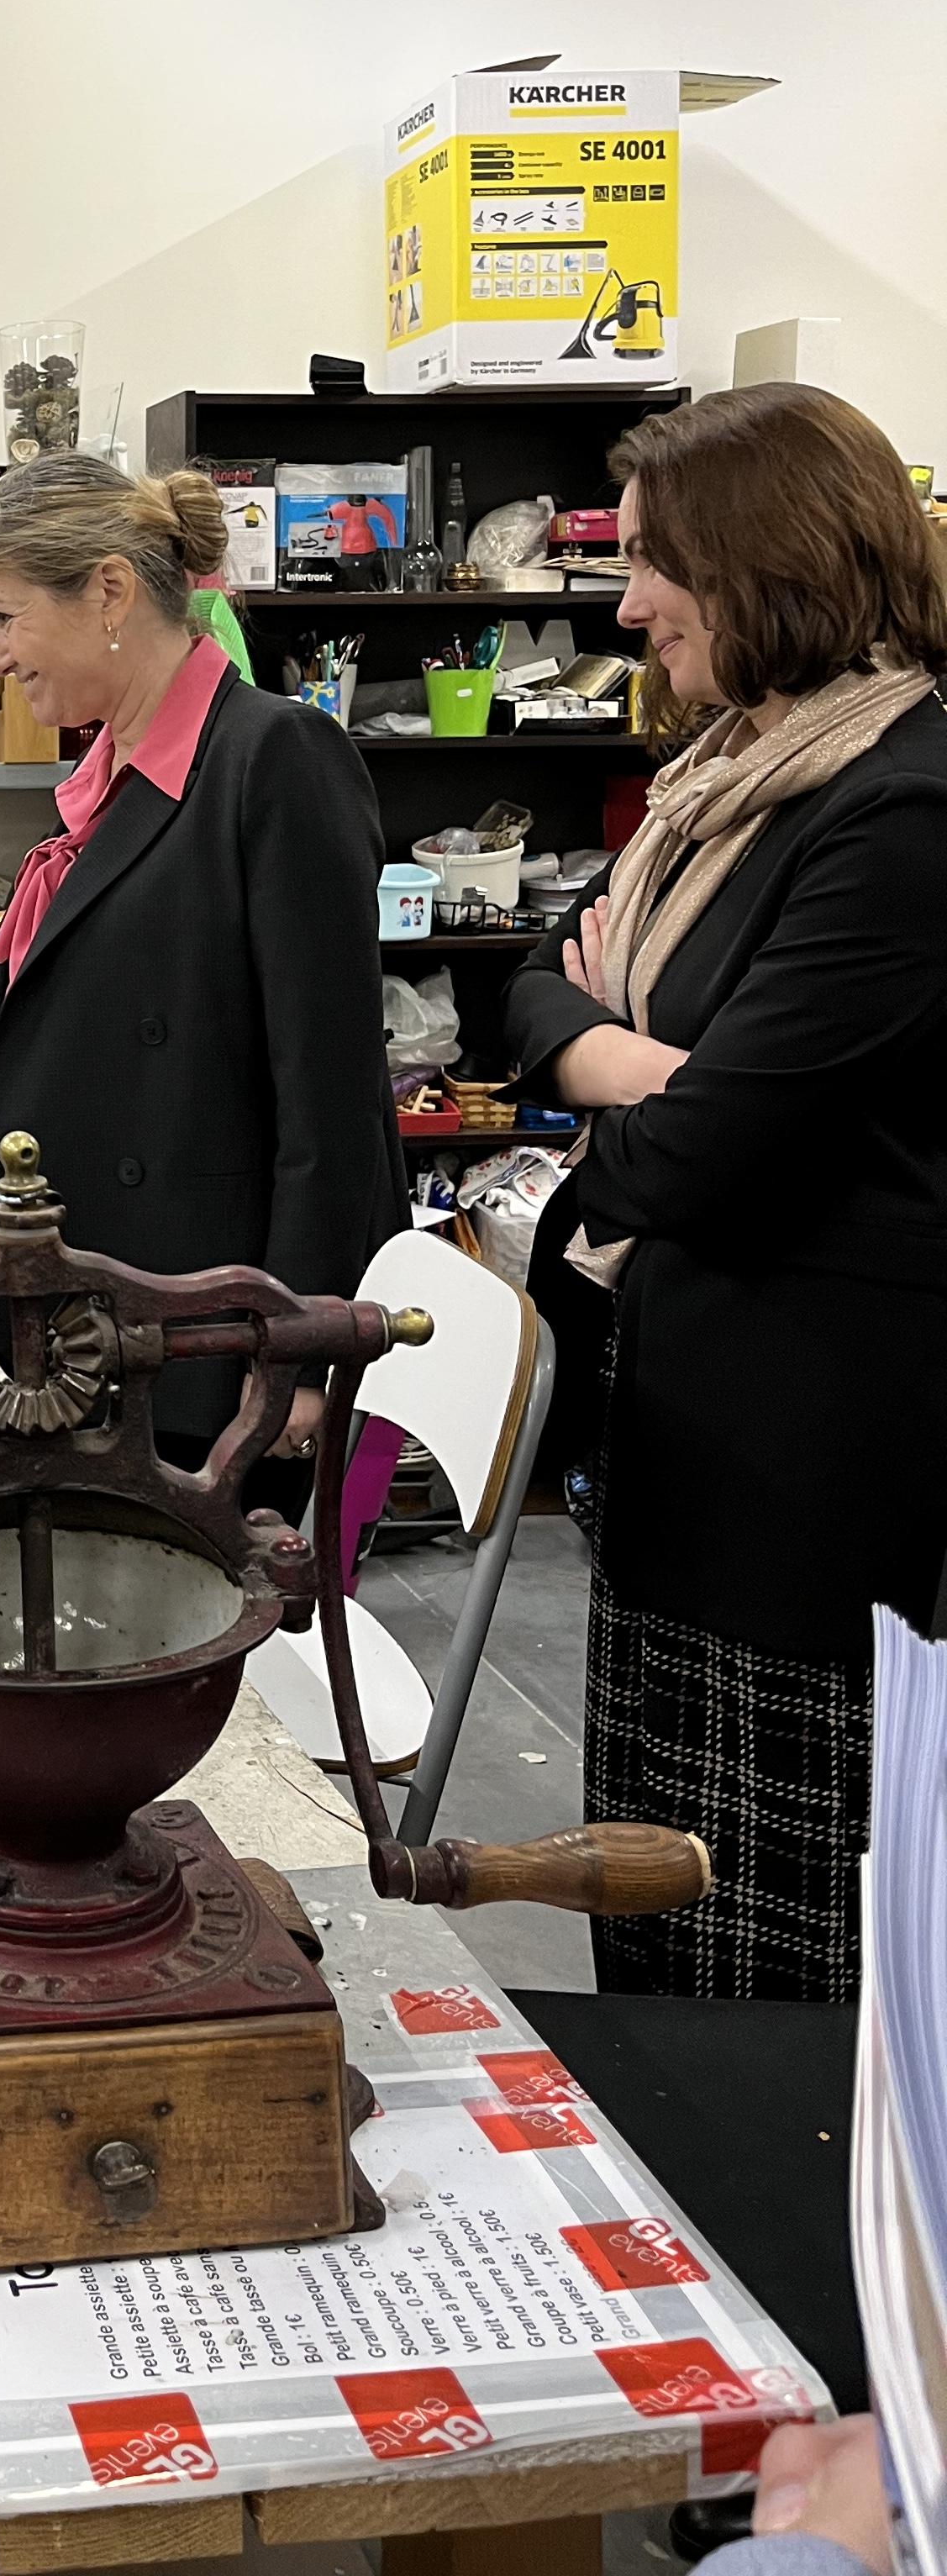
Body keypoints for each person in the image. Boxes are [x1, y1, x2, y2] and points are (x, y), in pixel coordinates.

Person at [506, 383, 947, 2000]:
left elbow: (697, 1153)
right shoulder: (722, 781)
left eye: (650, 565)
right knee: (654, 1900)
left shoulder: (897, 811)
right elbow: (529, 986)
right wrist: (624, 1054)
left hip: (809, 1489)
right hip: (682, 1435)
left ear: (767, 560)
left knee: (768, 1956)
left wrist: (617, 1071)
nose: (622, 607)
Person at [0, 452, 402, 1457]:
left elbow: (331, 1098)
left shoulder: (273, 758)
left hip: (213, 1354)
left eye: (4, 617)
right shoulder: (108, 779)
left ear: (109, 590)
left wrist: (295, 1356)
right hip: (94, 1328)